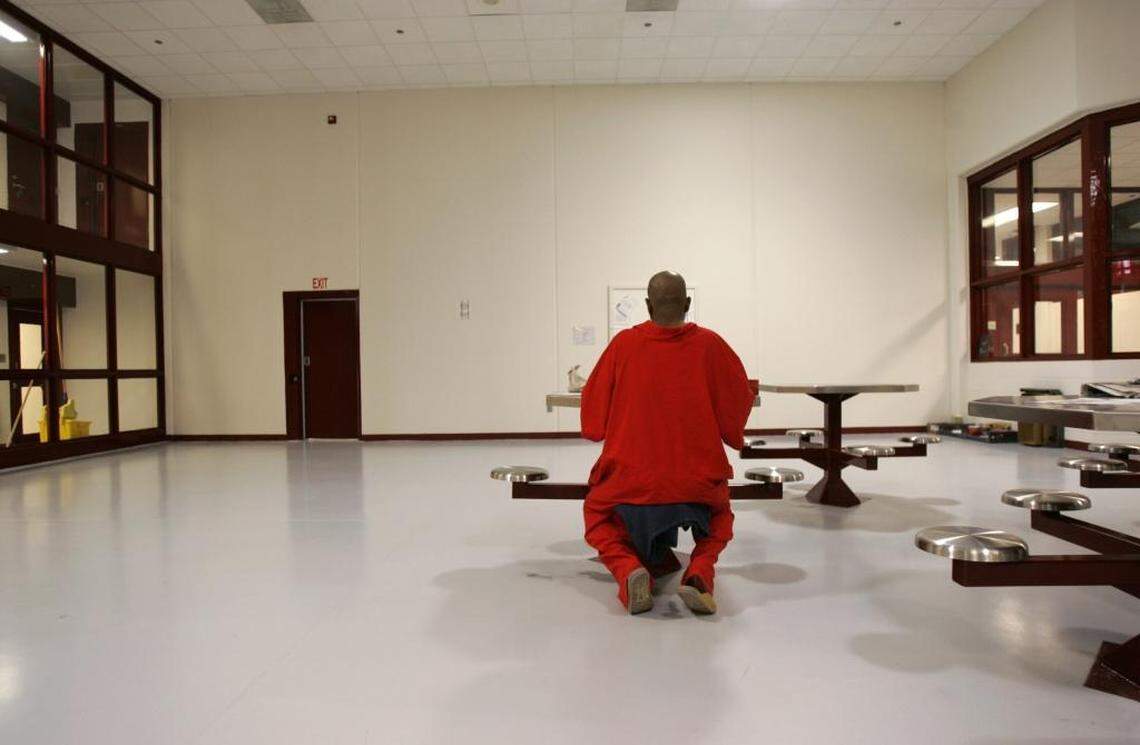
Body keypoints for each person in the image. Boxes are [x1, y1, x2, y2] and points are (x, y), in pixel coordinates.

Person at [580, 271, 755, 615]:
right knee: (720, 518)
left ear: (647, 306)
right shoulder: (711, 345)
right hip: (697, 480)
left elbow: (593, 416)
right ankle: (700, 570)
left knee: (597, 514)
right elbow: (738, 399)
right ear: (687, 304)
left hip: (631, 481)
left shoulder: (623, 346)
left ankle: (627, 569)